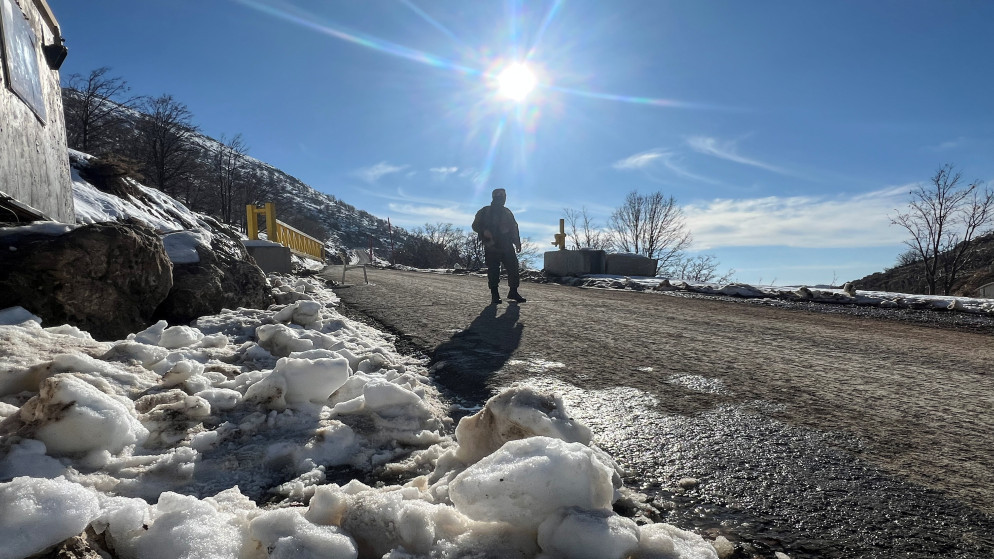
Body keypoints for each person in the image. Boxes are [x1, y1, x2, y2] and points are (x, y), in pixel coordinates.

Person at [472, 188, 526, 304]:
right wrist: (484, 231)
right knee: (494, 269)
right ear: (494, 196)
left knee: (513, 267)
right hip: (491, 244)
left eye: (503, 195)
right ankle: (495, 294)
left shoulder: (507, 212)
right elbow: (475, 225)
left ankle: (513, 291)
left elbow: (514, 227)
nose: (501, 197)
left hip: (506, 244)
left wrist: (517, 242)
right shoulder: (485, 211)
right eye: (498, 195)